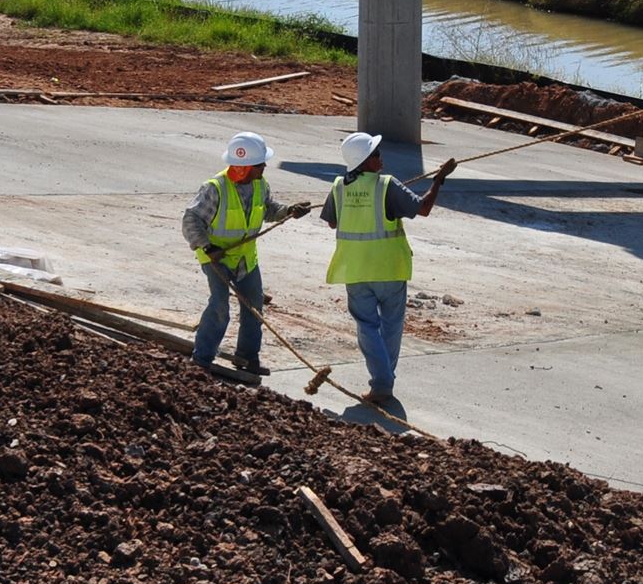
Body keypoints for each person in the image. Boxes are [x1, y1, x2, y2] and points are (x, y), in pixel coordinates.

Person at [323, 131, 448, 412]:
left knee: (367, 327)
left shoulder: (339, 187)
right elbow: (423, 208)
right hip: (389, 268)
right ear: (365, 161)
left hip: (355, 268)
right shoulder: (386, 185)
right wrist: (438, 180)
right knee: (391, 326)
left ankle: (382, 382)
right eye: (376, 154)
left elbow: (332, 222)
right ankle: (384, 382)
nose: (381, 158)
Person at [181, 131, 308, 379]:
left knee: (254, 307)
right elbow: (191, 220)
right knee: (219, 307)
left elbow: (268, 209)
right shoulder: (215, 188)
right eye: (260, 164)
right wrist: (207, 247)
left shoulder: (260, 184)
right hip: (216, 258)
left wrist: (288, 211)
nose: (264, 167)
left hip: (245, 258)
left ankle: (247, 357)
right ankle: (201, 359)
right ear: (245, 167)